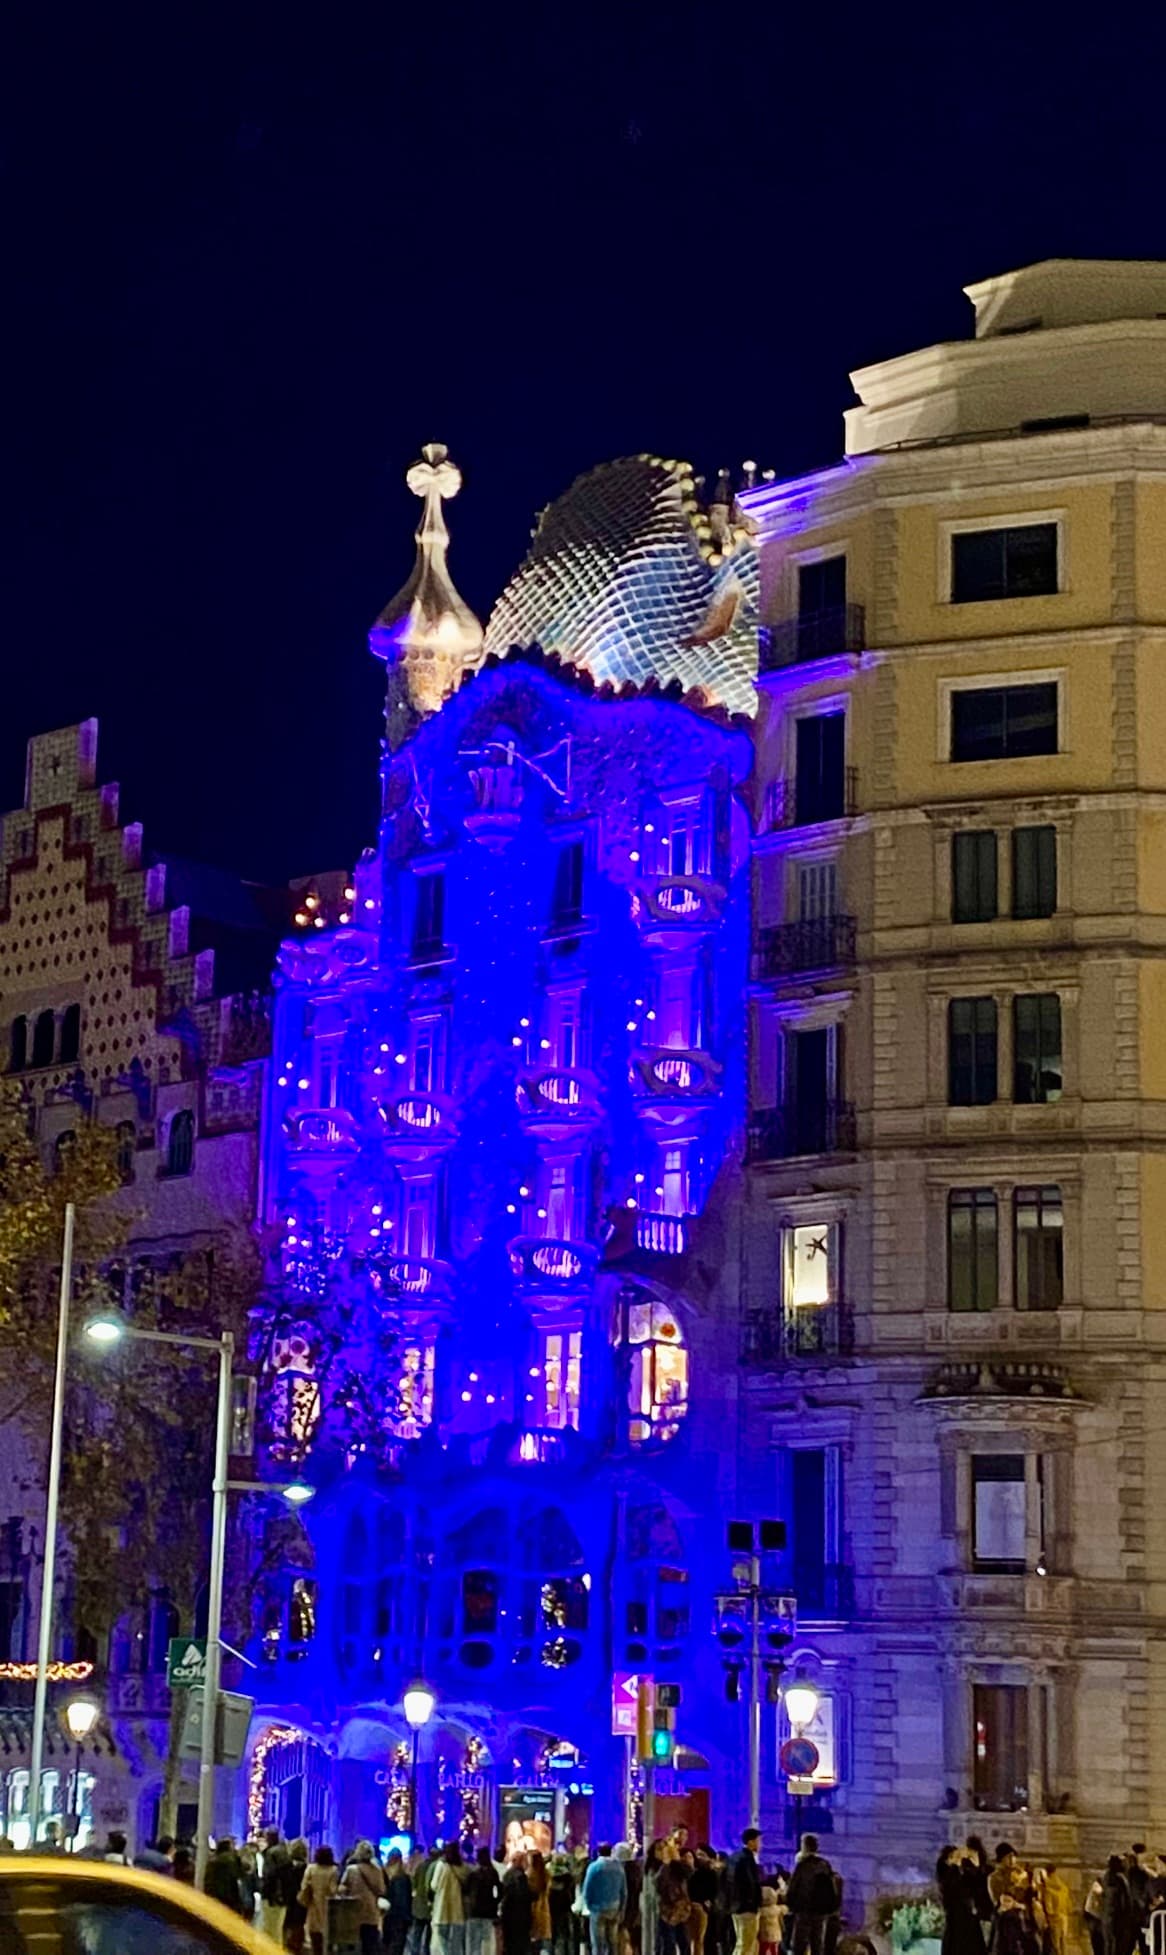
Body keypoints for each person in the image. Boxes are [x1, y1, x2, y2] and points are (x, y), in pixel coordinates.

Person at [784, 1836, 839, 1955]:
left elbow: (793, 1888)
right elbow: (833, 1888)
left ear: (804, 1847)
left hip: (804, 1911)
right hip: (821, 1911)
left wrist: (791, 1906)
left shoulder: (802, 1866)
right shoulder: (825, 1865)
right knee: (817, 1944)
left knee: (799, 1944)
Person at [344, 1840, 389, 1955]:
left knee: (354, 1947)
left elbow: (342, 1889)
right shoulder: (377, 1870)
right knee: (370, 1946)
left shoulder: (351, 1870)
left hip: (354, 1914)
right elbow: (382, 1890)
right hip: (371, 1914)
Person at [582, 1844, 627, 1955]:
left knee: (598, 1943)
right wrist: (621, 1909)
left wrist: (589, 1905)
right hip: (614, 1908)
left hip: (597, 1909)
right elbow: (624, 1891)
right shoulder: (619, 1868)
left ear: (598, 1853)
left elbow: (587, 1888)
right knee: (612, 1942)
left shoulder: (594, 1867)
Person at [936, 1850, 982, 1955]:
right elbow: (951, 1886)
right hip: (956, 1920)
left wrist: (975, 1862)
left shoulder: (962, 1873)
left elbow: (975, 1884)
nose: (959, 1858)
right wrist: (955, 1863)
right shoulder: (946, 1876)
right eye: (954, 1856)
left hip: (969, 1919)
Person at [727, 1831, 763, 1955]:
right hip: (747, 1907)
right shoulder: (746, 1859)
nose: (760, 1845)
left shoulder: (734, 1857)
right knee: (747, 1944)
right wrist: (754, 1903)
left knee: (741, 1942)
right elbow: (750, 1884)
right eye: (758, 1841)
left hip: (735, 1906)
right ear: (751, 1842)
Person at [301, 1845, 340, 1955]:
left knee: (315, 1941)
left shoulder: (311, 1869)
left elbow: (304, 1887)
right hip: (329, 1909)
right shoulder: (333, 1870)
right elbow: (333, 1891)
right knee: (328, 1941)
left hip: (313, 1907)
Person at [432, 1841, 468, 1955]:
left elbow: (434, 1885)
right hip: (457, 1912)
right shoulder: (463, 1868)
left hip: (442, 1910)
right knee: (455, 1945)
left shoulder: (441, 1866)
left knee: (442, 1944)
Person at [465, 1845, 502, 1955]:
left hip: (474, 1911)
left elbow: (466, 1890)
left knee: (474, 1943)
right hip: (489, 1912)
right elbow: (499, 1890)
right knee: (486, 1941)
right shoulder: (493, 1873)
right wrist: (495, 1902)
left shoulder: (473, 1873)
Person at [262, 1828, 293, 1944]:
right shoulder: (284, 1852)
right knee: (277, 1929)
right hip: (282, 1897)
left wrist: (269, 1894)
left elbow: (270, 1875)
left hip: (272, 1897)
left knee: (269, 1929)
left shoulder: (271, 1853)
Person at [656, 1850, 691, 1955]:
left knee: (677, 1941)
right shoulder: (668, 1870)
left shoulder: (676, 1870)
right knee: (675, 1941)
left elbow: (660, 1886)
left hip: (676, 1910)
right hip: (674, 1911)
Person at [1101, 1856, 1137, 1955]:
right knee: (1115, 1944)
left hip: (1110, 1917)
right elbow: (1121, 1900)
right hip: (1116, 1918)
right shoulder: (1116, 1879)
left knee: (1111, 1944)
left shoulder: (1107, 1877)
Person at [502, 1854, 534, 1955]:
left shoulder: (507, 1875)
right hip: (520, 1917)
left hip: (508, 1915)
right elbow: (523, 1895)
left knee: (509, 1945)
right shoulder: (521, 1877)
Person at [387, 1849, 417, 1955]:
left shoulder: (388, 1875)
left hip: (390, 1915)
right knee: (399, 1943)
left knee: (391, 1943)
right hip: (401, 1916)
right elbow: (404, 1899)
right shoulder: (404, 1877)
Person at [205, 1836, 246, 1914]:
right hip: (228, 1895)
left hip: (214, 1894)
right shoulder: (231, 1860)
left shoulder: (212, 1860)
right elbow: (237, 1875)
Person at [1037, 1865, 1072, 1955]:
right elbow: (1069, 1905)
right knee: (1064, 1943)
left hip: (1054, 1920)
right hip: (1064, 1918)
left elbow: (1049, 1909)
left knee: (1055, 1945)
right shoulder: (1063, 1887)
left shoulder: (1047, 1890)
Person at [285, 1839, 311, 1953]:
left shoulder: (286, 1868)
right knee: (299, 1928)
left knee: (288, 1929)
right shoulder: (308, 1869)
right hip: (302, 1903)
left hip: (289, 1903)